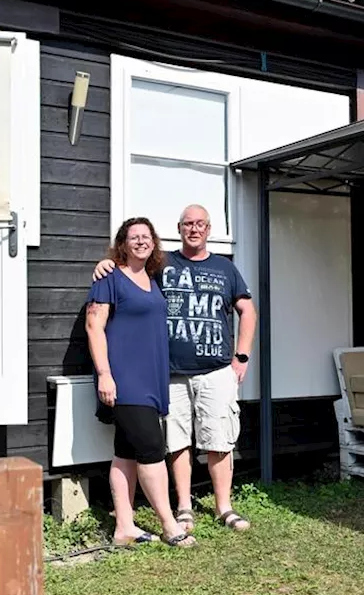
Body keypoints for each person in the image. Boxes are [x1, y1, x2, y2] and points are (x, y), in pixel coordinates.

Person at [92, 204, 257, 534]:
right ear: (178, 229)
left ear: (209, 229)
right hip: (170, 373)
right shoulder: (161, 265)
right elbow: (123, 276)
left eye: (200, 224)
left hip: (214, 370)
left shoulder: (225, 268)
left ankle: (223, 506)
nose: (194, 229)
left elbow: (247, 311)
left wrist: (241, 357)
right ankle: (182, 510)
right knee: (176, 442)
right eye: (187, 224)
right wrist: (106, 262)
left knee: (219, 439)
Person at [85, 217, 197, 548]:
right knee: (151, 449)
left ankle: (124, 527)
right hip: (124, 379)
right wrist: (105, 374)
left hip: (150, 379)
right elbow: (94, 327)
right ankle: (169, 524)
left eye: (146, 236)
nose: (140, 241)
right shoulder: (109, 278)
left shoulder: (152, 278)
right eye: (133, 237)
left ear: (154, 243)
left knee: (126, 451)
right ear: (122, 243)